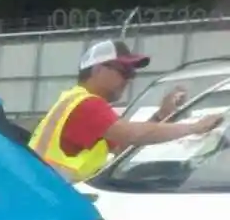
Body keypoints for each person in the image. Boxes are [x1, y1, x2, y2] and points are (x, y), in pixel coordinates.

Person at [29, 39, 224, 183]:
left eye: (132, 73)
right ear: (97, 70)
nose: (129, 79)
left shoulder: (77, 101)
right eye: (124, 71)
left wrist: (161, 116)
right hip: (49, 199)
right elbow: (133, 134)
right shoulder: (86, 105)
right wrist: (195, 127)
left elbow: (124, 148)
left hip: (49, 195)